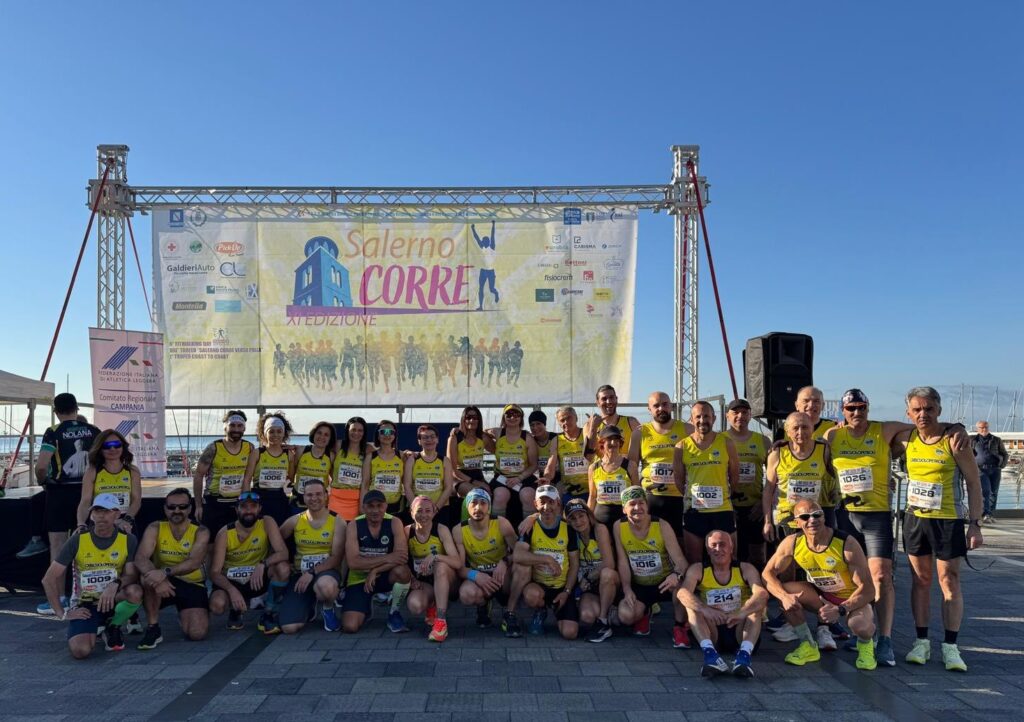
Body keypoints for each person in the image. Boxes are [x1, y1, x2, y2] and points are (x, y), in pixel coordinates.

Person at [823, 388, 929, 666]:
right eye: (851, 408)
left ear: (868, 408)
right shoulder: (833, 435)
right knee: (855, 578)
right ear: (843, 412)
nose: (857, 412)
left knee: (881, 576)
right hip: (846, 515)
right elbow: (818, 457)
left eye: (862, 407)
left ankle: (885, 638)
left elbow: (920, 425)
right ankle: (864, 633)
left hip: (877, 516)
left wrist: (953, 428)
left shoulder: (883, 430)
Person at [895, 386, 984, 672]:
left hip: (948, 519)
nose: (923, 414)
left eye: (929, 409)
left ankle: (950, 646)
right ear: (908, 413)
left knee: (949, 580)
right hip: (915, 519)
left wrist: (975, 525)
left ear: (939, 410)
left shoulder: (954, 440)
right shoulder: (906, 438)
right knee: (921, 580)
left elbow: (974, 483)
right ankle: (921, 642)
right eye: (917, 410)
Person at [761, 500, 878, 670]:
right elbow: (767, 573)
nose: (812, 520)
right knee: (785, 592)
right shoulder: (793, 542)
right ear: (797, 522)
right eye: (805, 517)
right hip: (822, 596)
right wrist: (784, 597)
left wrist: (841, 609)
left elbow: (869, 590)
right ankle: (808, 645)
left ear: (824, 517)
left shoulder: (846, 543)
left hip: (851, 598)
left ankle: (866, 645)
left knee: (860, 626)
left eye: (817, 515)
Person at [41, 493, 143, 658]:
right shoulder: (78, 540)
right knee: (81, 651)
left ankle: (113, 626)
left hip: (113, 599)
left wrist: (115, 584)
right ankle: (97, 625)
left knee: (135, 592)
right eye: (97, 511)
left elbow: (131, 575)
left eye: (107, 511)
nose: (101, 515)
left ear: (117, 514)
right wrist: (62, 613)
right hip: (86, 604)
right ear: (91, 514)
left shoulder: (128, 539)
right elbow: (48, 579)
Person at [28, 393, 101, 615]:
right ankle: (91, 595)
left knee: (58, 546)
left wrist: (43, 482)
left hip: (60, 493)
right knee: (91, 543)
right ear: (77, 408)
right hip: (89, 492)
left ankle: (59, 600)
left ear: (56, 411)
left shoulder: (54, 432)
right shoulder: (93, 430)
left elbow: (41, 466)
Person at [677, 531, 768, 678]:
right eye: (713, 545)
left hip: (740, 628)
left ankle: (744, 657)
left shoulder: (745, 569)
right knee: (692, 606)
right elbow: (682, 593)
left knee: (755, 607)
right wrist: (705, 609)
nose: (718, 549)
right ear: (707, 550)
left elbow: (762, 594)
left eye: (722, 545)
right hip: (713, 629)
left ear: (731, 548)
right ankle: (710, 656)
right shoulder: (698, 569)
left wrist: (742, 612)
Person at [614, 486, 690, 647]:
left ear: (647, 505)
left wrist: (676, 575)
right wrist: (627, 589)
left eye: (641, 503)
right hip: (640, 584)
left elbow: (681, 562)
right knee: (626, 616)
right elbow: (622, 562)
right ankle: (645, 612)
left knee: (682, 587)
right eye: (632, 504)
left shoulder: (661, 525)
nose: (637, 508)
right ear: (623, 509)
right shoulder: (618, 526)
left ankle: (680, 627)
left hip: (665, 582)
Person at [133, 488, 210, 649]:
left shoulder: (201, 531)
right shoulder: (155, 527)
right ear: (164, 508)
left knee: (197, 633)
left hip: (192, 583)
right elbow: (141, 558)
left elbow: (194, 562)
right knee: (146, 578)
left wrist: (164, 573)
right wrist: (158, 578)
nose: (177, 510)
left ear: (190, 508)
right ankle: (153, 628)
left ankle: (184, 614)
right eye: (171, 507)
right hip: (162, 583)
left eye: (182, 507)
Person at [208, 491, 290, 634]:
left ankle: (269, 612)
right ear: (236, 510)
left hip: (257, 577)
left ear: (259, 508)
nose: (248, 510)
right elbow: (214, 573)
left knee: (283, 568)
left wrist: (263, 564)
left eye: (253, 506)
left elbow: (283, 553)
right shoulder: (225, 533)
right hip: (232, 580)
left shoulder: (266, 522)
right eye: (244, 507)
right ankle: (235, 609)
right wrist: (231, 590)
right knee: (217, 605)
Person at [506, 485, 580, 639]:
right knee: (531, 593)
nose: (546, 507)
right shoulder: (530, 526)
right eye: (542, 502)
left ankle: (558, 608)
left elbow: (574, 565)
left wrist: (566, 591)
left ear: (558, 503)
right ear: (535, 504)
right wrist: (547, 559)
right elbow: (518, 555)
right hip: (539, 585)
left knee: (570, 633)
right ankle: (540, 610)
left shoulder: (568, 528)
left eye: (551, 502)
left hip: (561, 587)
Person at [674, 401, 739, 565]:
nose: (702, 420)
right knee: (694, 560)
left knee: (729, 559)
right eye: (698, 417)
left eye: (706, 416)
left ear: (714, 418)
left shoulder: (726, 443)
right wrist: (692, 498)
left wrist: (725, 495)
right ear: (691, 420)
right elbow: (679, 480)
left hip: (722, 510)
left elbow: (734, 475)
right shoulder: (681, 446)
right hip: (694, 511)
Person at [278, 480, 346, 634]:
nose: (314, 498)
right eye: (309, 495)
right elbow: (276, 542)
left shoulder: (337, 521)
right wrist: (284, 562)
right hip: (300, 574)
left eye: (318, 494)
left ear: (326, 496)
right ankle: (309, 605)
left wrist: (312, 572)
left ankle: (327, 608)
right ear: (303, 497)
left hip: (326, 572)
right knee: (289, 628)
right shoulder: (295, 520)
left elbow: (336, 557)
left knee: (326, 587)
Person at [341, 490, 412, 634]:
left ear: (386, 506)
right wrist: (387, 558)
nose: (375, 510)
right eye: (370, 506)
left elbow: (401, 557)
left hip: (384, 575)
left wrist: (375, 570)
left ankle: (394, 612)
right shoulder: (354, 525)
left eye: (379, 506)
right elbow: (353, 563)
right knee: (350, 627)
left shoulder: (394, 522)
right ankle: (365, 606)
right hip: (359, 579)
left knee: (403, 572)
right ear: (363, 507)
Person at [629, 391, 692, 543]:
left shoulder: (687, 429)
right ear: (649, 409)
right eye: (656, 406)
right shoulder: (640, 433)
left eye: (664, 404)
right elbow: (632, 467)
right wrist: (637, 495)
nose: (661, 408)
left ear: (671, 406)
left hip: (680, 497)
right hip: (652, 498)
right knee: (653, 541)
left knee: (680, 541)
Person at [452, 488, 518, 629]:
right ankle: (483, 605)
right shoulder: (459, 530)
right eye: (473, 503)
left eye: (483, 503)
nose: (478, 507)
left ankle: (510, 613)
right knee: (466, 594)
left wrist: (505, 562)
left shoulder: (501, 523)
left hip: (502, 573)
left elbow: (520, 553)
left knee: (521, 570)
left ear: (489, 507)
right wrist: (476, 575)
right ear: (467, 506)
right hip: (480, 575)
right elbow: (460, 568)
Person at [405, 495, 461, 642]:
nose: (423, 515)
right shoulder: (407, 531)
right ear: (411, 512)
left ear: (435, 512)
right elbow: (401, 560)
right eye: (419, 511)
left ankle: (441, 621)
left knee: (440, 565)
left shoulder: (441, 529)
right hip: (424, 582)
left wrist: (435, 556)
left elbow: (457, 563)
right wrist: (411, 578)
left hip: (448, 580)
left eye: (428, 511)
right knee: (415, 605)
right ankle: (432, 603)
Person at [723, 399, 771, 567]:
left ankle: (759, 581)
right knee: (732, 554)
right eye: (735, 412)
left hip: (755, 508)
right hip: (728, 506)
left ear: (750, 415)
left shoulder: (763, 441)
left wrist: (763, 503)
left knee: (758, 555)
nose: (740, 416)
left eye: (745, 412)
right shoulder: (719, 440)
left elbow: (774, 477)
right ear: (727, 416)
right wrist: (726, 505)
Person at [193, 410, 255, 534]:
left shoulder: (249, 447)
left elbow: (249, 476)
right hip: (214, 502)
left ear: (244, 428)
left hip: (237, 503)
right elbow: (198, 475)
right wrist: (198, 505)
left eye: (239, 426)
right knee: (211, 540)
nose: (236, 429)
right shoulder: (213, 448)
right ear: (225, 427)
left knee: (235, 539)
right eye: (232, 425)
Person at [76, 430, 142, 532]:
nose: (112, 449)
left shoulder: (132, 471)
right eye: (107, 446)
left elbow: (136, 500)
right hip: (99, 523)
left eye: (117, 445)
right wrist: (81, 524)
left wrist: (127, 520)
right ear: (100, 449)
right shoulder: (92, 471)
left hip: (125, 523)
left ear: (123, 446)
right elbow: (85, 502)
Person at [242, 412, 295, 525]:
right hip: (260, 498)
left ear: (284, 433)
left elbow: (290, 478)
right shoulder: (257, 453)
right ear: (264, 433)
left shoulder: (289, 454)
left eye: (279, 431)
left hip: (280, 498)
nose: (275, 435)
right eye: (271, 431)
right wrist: (246, 501)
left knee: (280, 529)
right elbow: (247, 480)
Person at [488, 404, 539, 521]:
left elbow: (533, 465)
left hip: (523, 477)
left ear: (521, 418)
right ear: (504, 417)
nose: (512, 417)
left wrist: (519, 478)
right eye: (509, 414)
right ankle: (498, 529)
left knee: (528, 495)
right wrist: (457, 430)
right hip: (501, 477)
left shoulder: (527, 437)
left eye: (516, 415)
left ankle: (529, 529)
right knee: (500, 495)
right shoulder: (497, 432)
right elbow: (478, 432)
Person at [588, 425, 638, 530]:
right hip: (600, 519)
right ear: (602, 443)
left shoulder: (630, 466)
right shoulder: (593, 468)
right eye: (609, 439)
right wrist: (588, 519)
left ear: (620, 442)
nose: (613, 443)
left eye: (616, 439)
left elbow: (637, 495)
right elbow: (592, 496)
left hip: (624, 518)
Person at [403, 424, 454, 527]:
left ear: (437, 439)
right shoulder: (412, 460)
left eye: (432, 436)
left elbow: (448, 487)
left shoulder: (445, 461)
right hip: (417, 511)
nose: (429, 440)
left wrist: (435, 509)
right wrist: (416, 507)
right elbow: (407, 486)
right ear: (419, 441)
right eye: (425, 437)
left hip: (440, 509)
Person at [542, 406, 593, 503]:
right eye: (562, 420)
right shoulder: (557, 440)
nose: (565, 422)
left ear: (576, 418)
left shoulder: (586, 433)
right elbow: (551, 464)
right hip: (569, 491)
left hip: (591, 490)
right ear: (559, 423)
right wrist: (546, 477)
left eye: (569, 418)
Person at [361, 420, 406, 518]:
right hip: (374, 506)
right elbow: (365, 484)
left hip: (396, 507)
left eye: (390, 432)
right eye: (383, 432)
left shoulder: (402, 456)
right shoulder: (370, 456)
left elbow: (406, 483)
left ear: (394, 436)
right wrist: (362, 508)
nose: (387, 435)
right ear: (378, 435)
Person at [332, 417, 372, 521]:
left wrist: (405, 453)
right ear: (347, 431)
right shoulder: (338, 445)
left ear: (364, 433)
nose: (356, 433)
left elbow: (385, 453)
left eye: (360, 430)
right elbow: (319, 448)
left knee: (352, 530)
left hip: (356, 501)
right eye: (353, 430)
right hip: (335, 499)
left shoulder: (368, 449)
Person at [448, 406, 492, 500]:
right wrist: (475, 482)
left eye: (475, 418)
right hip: (458, 478)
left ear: (479, 420)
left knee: (493, 494)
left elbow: (500, 450)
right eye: (468, 417)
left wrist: (492, 432)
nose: (472, 420)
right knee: (478, 494)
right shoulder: (454, 438)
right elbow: (452, 470)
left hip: (478, 476)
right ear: (463, 419)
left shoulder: (483, 437)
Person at [290, 421, 335, 513]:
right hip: (298, 501)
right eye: (319, 433)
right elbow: (291, 474)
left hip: (319, 503)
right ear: (313, 434)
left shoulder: (331, 456)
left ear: (330, 439)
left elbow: (334, 479)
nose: (322, 437)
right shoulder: (301, 451)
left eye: (326, 435)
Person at [584, 384, 642, 455]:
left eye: (611, 397)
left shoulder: (631, 422)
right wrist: (593, 428)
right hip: (600, 462)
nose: (609, 401)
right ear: (598, 403)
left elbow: (644, 448)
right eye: (604, 399)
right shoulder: (589, 426)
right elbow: (588, 455)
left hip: (626, 462)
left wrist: (623, 460)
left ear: (616, 399)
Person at [972, 420, 1009, 524]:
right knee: (986, 491)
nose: (984, 429)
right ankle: (985, 514)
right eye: (982, 428)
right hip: (981, 470)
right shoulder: (973, 440)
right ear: (977, 429)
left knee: (994, 492)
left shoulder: (996, 440)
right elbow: (969, 455)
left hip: (995, 469)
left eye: (986, 427)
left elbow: (1005, 454)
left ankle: (990, 514)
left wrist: (1002, 465)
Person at [472, 220, 500, 311]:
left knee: (491, 289)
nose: (483, 242)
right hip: (483, 271)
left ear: (488, 242)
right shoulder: (482, 248)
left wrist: (493, 225)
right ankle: (481, 306)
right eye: (483, 241)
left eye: (485, 241)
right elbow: (476, 238)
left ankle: (496, 294)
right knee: (481, 288)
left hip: (490, 271)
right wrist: (473, 229)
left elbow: (492, 235)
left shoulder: (492, 247)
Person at [529, 410, 555, 487]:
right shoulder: (531, 441)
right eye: (532, 425)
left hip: (557, 476)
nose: (535, 427)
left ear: (544, 424)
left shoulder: (555, 438)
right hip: (541, 477)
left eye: (538, 423)